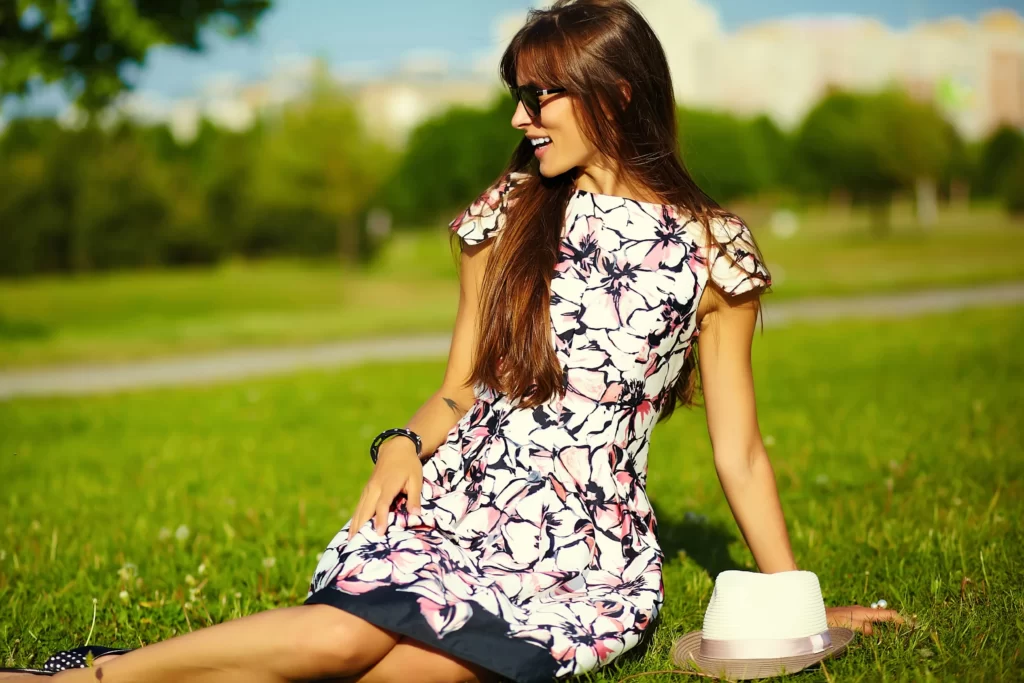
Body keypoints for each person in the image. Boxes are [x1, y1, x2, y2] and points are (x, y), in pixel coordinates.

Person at [3, 1, 904, 682]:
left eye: (540, 96)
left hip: (585, 559)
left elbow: (739, 450)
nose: (520, 118)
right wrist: (400, 443)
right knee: (341, 638)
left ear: (615, 94)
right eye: (518, 96)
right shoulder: (508, 215)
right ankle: (82, 678)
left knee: (397, 673)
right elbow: (458, 387)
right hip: (458, 510)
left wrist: (796, 605)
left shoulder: (713, 250)